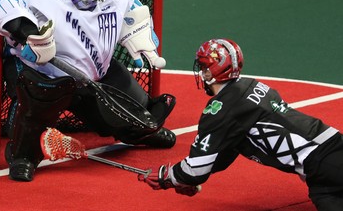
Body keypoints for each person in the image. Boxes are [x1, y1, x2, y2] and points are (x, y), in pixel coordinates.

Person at [0, 0, 176, 182]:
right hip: (44, 72)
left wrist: (137, 31)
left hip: (97, 72)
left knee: (139, 112)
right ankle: (24, 156)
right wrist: (27, 33)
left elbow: (132, 9)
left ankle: (137, 134)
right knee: (34, 112)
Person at [138, 38, 343, 211]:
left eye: (203, 68)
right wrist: (188, 179)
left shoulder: (220, 109)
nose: (202, 73)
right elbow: (225, 152)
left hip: (324, 165)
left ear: (211, 71)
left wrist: (169, 176)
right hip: (328, 160)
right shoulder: (253, 86)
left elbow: (196, 168)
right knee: (325, 199)